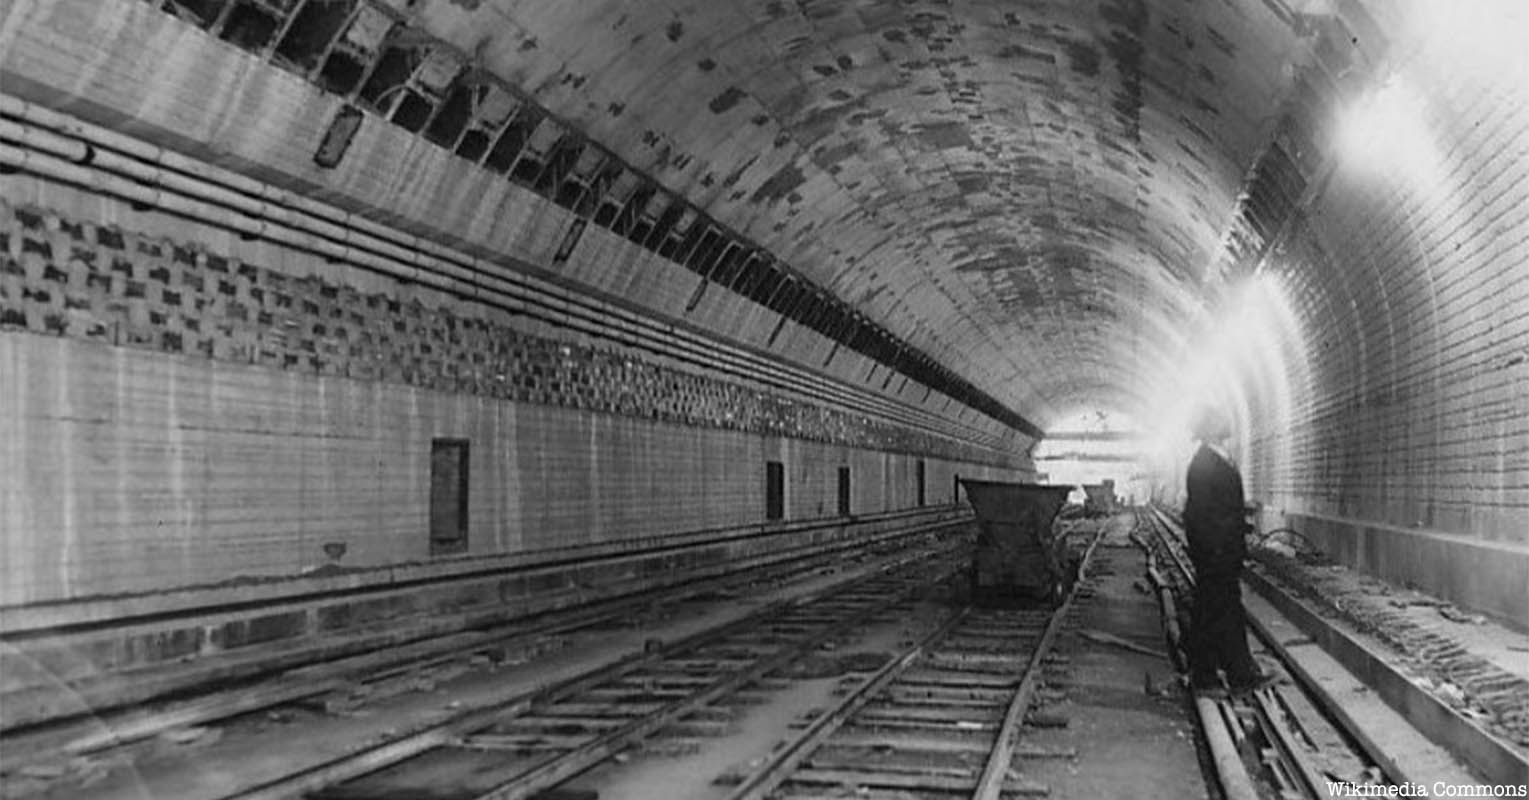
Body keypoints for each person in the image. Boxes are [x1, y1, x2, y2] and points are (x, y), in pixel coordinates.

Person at [1182, 408, 1274, 696]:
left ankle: (1225, 673)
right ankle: (1224, 675)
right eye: (1219, 420)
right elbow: (1201, 514)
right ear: (1210, 429)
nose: (1227, 423)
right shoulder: (1204, 463)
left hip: (1221, 551)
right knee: (1219, 610)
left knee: (1217, 610)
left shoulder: (1215, 459)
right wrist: (1215, 549)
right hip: (1216, 552)